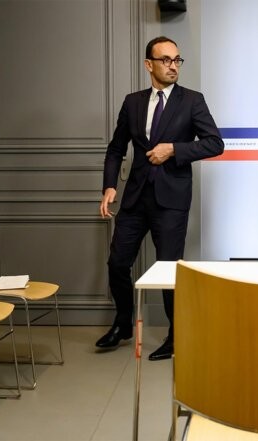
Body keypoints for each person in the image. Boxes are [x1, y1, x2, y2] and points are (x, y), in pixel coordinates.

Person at [96, 36, 224, 361]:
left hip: (171, 200)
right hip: (135, 198)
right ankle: (124, 322)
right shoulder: (133, 102)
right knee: (117, 263)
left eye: (177, 60)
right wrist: (109, 186)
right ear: (148, 64)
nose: (173, 66)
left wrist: (175, 150)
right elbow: (115, 148)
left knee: (168, 269)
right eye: (165, 60)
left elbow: (214, 143)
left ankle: (176, 336)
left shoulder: (192, 101)